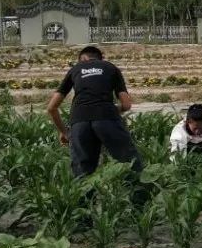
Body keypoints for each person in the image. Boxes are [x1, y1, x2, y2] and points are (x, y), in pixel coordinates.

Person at [47, 45, 143, 178]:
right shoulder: (110, 68)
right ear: (100, 58)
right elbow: (126, 105)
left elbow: (51, 108)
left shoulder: (75, 70)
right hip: (107, 116)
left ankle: (86, 198)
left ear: (83, 59)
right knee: (130, 162)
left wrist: (64, 132)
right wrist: (111, 109)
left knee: (82, 173)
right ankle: (139, 196)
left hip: (79, 120)